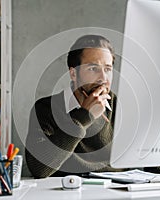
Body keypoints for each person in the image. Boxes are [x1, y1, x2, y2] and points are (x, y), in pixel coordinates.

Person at [25, 35, 122, 178]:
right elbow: (39, 170)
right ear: (73, 74)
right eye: (93, 68)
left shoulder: (124, 108)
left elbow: (158, 170)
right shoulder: (45, 108)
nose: (103, 78)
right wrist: (84, 116)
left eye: (107, 69)